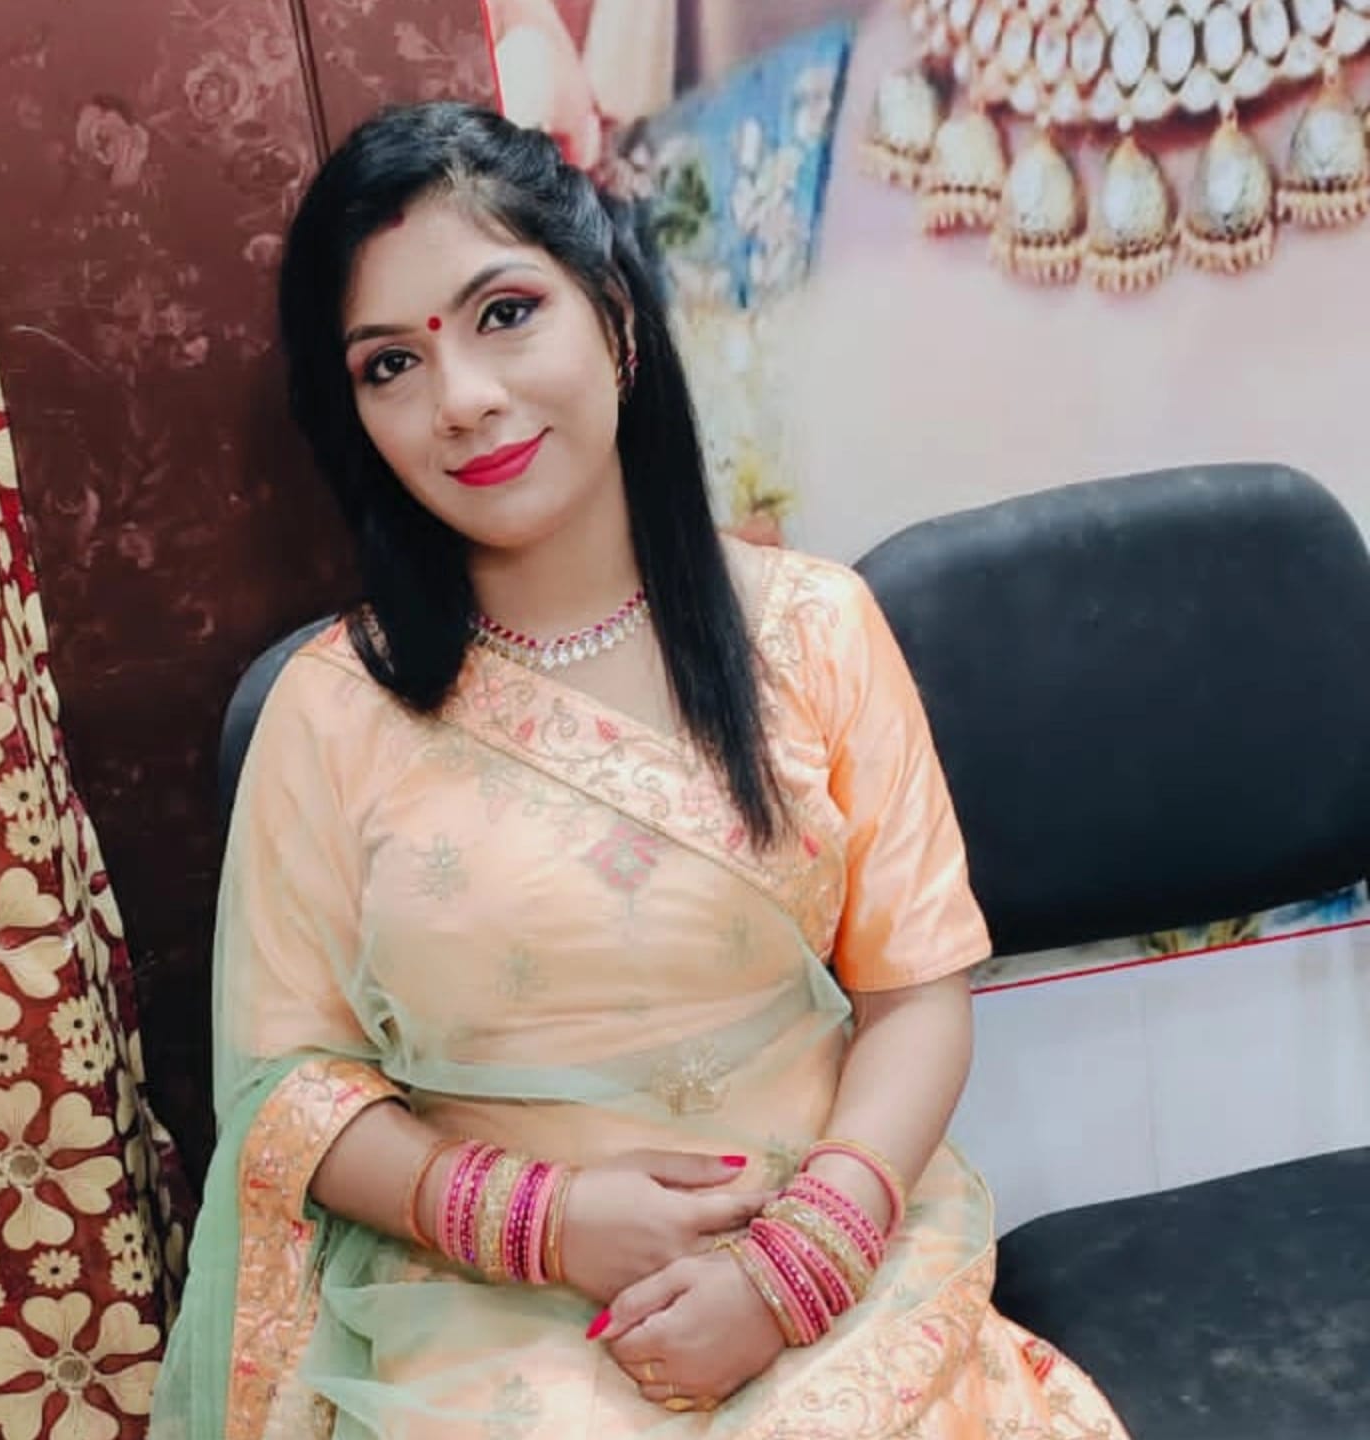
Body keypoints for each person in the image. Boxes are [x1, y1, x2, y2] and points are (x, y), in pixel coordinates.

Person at [149, 101, 1130, 1439]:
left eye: (504, 313)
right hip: (478, 1314)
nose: (462, 398)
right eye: (391, 365)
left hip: (822, 1257)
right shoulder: (333, 710)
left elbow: (915, 998)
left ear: (612, 319)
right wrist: (542, 1223)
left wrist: (791, 1273)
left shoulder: (814, 630)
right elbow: (288, 1093)